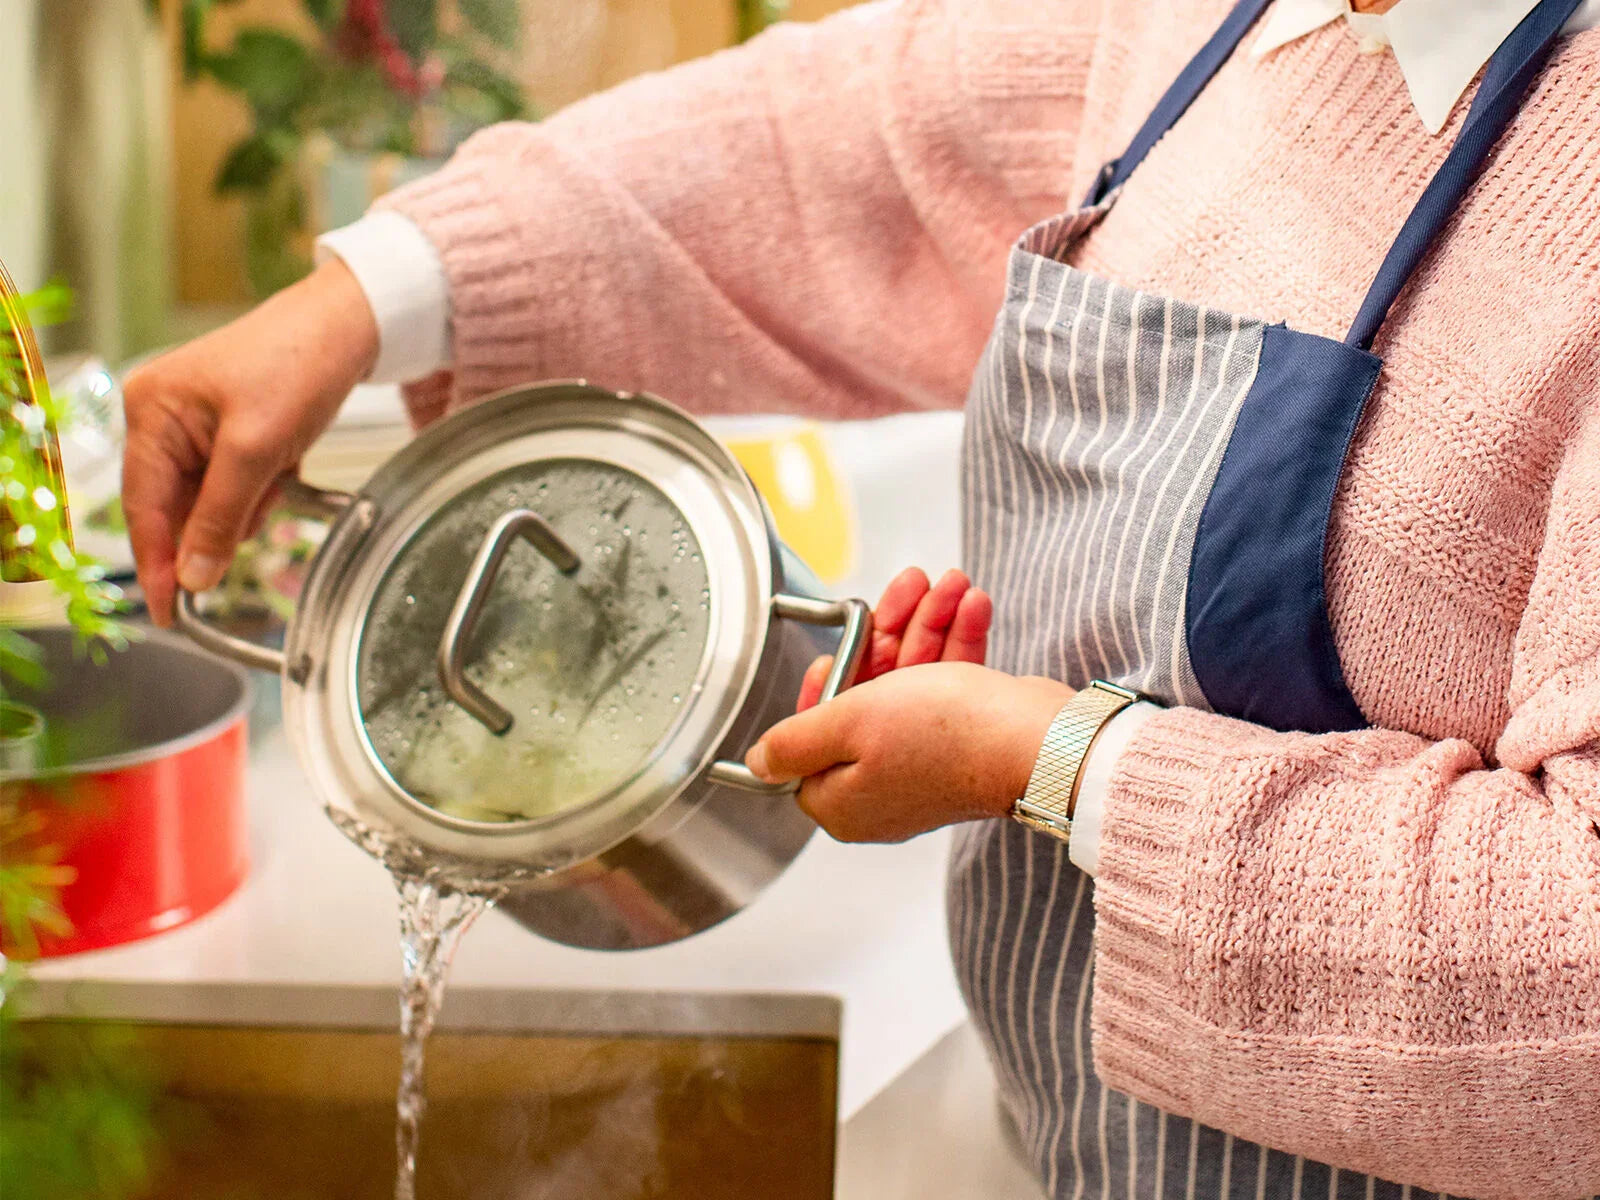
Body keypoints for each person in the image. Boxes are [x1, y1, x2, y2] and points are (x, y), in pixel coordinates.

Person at [122, 0, 1600, 1195]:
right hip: (1057, 1141)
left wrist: (1047, 760)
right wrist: (369, 296)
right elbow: (833, 152)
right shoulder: (1190, 26)